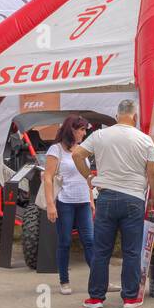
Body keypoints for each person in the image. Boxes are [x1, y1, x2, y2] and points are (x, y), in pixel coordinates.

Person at [72, 100, 154, 308]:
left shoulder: (100, 136)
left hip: (106, 197)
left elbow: (77, 154)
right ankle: (130, 297)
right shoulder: (144, 139)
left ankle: (96, 297)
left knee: (101, 250)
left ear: (116, 115)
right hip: (134, 198)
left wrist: (89, 177)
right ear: (135, 116)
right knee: (131, 251)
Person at [44, 115, 95, 296]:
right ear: (71, 130)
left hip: (83, 201)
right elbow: (48, 177)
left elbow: (86, 175)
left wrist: (90, 198)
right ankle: (64, 281)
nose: (84, 132)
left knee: (90, 241)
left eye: (84, 129)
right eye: (81, 129)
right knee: (64, 242)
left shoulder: (81, 149)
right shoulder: (55, 149)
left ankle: (98, 279)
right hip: (65, 202)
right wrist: (51, 204)